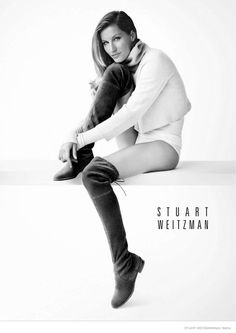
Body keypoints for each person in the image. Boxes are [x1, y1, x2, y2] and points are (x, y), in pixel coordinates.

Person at [53, 10, 191, 308]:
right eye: (105, 43)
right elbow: (104, 117)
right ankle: (82, 155)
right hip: (139, 138)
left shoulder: (156, 60)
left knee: (93, 175)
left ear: (132, 34)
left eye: (117, 38)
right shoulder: (123, 68)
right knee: (112, 76)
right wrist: (72, 134)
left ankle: (124, 265)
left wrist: (80, 140)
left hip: (163, 145)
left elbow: (132, 114)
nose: (112, 47)